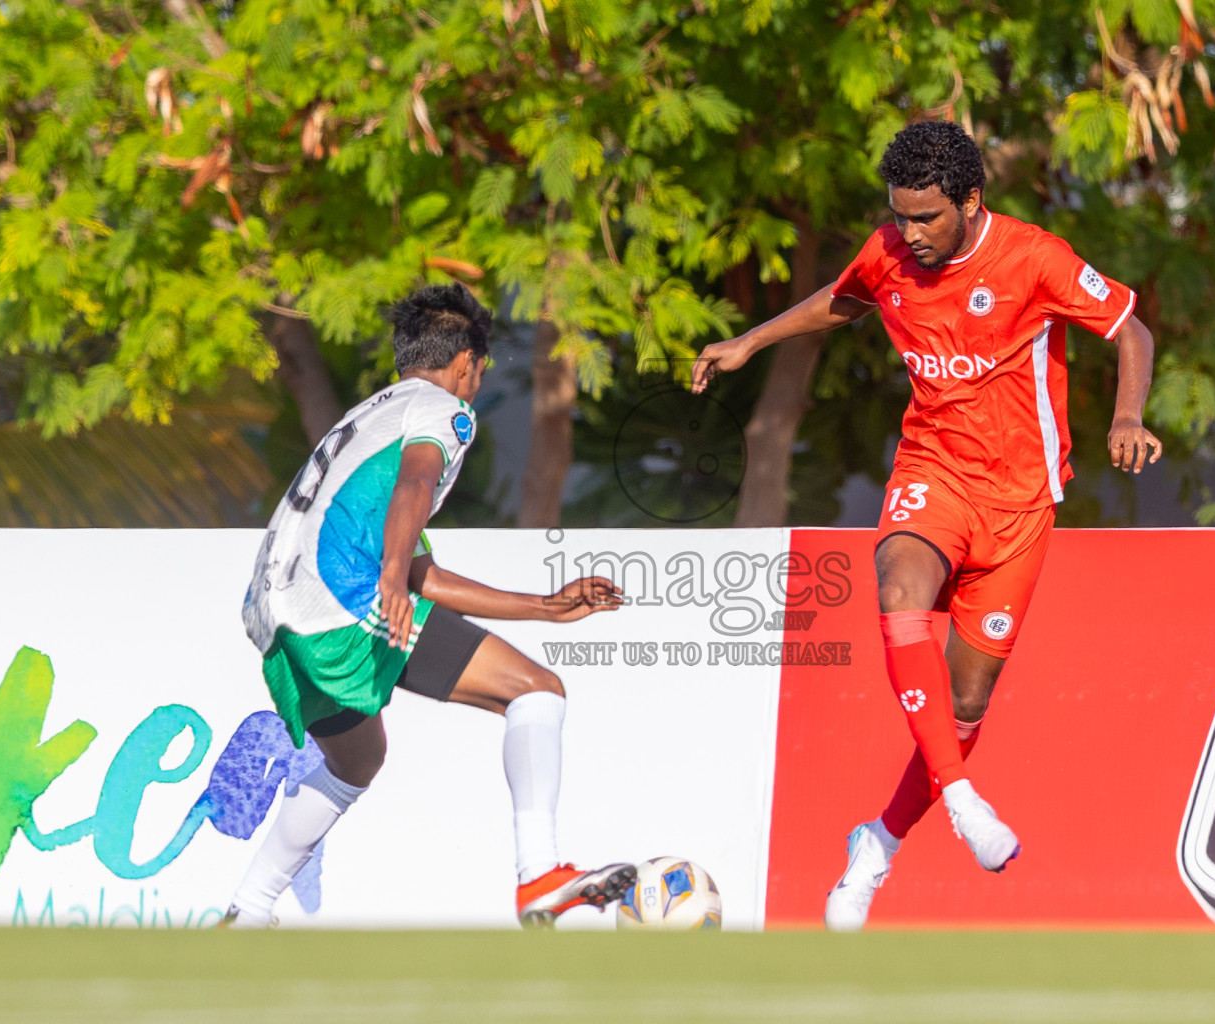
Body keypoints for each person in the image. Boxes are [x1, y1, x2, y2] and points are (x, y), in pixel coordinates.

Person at [691, 121, 1161, 931]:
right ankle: (964, 799)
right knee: (899, 580)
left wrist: (1127, 416)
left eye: (925, 219)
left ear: (970, 201)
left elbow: (1131, 329)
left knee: (967, 699)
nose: (908, 234)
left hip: (1021, 504)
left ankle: (878, 842)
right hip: (933, 471)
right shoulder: (889, 251)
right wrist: (750, 340)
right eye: (899, 216)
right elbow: (842, 301)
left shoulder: (1034, 258)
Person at [227, 284, 634, 928]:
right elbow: (418, 484)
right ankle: (540, 878)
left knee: (357, 761)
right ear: (466, 362)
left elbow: (424, 575)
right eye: (479, 372)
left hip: (277, 617)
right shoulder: (444, 410)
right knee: (536, 691)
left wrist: (545, 606)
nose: (474, 385)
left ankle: (245, 913)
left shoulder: (371, 416)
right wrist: (390, 574)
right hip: (340, 605)